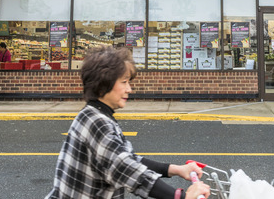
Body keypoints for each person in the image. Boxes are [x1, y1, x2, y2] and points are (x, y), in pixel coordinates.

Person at [47, 47, 211, 199]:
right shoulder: (97, 122)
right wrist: (181, 196)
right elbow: (128, 170)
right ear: (104, 84)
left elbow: (128, 159)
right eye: (124, 82)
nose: (129, 89)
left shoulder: (93, 114)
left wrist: (176, 170)